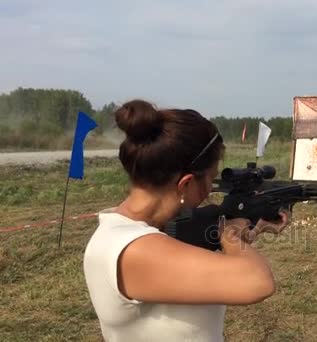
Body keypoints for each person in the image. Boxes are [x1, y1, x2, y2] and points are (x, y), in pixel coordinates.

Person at [83, 99, 289, 341]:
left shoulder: (135, 233)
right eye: (210, 180)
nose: (209, 191)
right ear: (186, 183)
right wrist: (231, 237)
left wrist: (250, 229)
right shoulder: (131, 249)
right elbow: (258, 281)